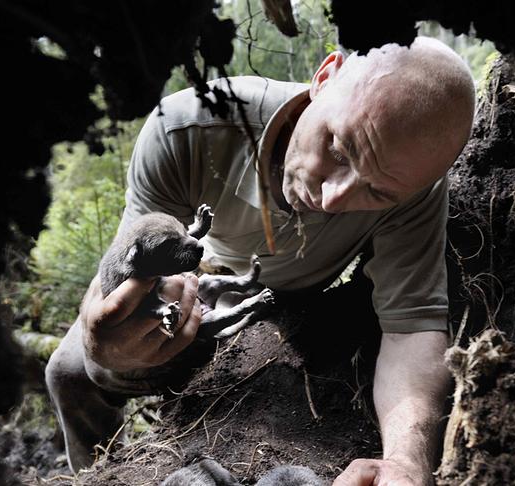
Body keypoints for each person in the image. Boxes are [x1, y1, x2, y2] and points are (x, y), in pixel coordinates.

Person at [45, 36, 476, 485]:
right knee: (69, 370)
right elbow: (127, 269)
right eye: (338, 149)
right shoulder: (186, 130)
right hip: (193, 290)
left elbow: (412, 327)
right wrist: (107, 343)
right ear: (324, 77)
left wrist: (405, 464)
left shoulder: (415, 191)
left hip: (288, 307)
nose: (332, 198)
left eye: (377, 192)